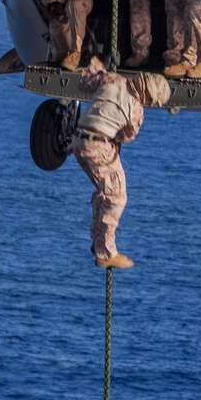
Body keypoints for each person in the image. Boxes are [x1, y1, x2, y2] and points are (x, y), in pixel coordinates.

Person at [71, 56, 172, 268]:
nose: (150, 104)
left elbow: (85, 82)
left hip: (79, 141)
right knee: (116, 197)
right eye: (152, 101)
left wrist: (101, 67)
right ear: (148, 94)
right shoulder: (136, 109)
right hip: (99, 146)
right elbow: (126, 136)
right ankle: (106, 252)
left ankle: (97, 239)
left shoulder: (112, 79)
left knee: (104, 191)